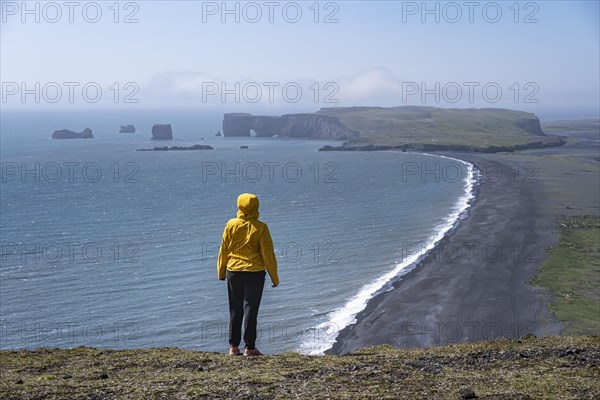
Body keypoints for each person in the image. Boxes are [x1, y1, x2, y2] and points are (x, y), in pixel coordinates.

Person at [217, 193, 279, 356]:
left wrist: (221, 271)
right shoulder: (261, 227)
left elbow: (224, 248)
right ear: (256, 206)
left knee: (235, 310)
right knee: (250, 309)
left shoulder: (230, 224)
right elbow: (268, 254)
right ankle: (249, 347)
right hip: (254, 273)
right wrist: (274, 276)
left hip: (234, 271)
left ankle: (233, 347)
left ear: (239, 206)